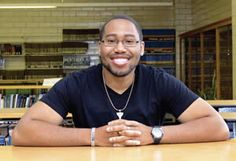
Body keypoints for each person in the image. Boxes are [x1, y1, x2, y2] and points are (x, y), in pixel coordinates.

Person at [12, 15, 229, 147]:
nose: (120, 48)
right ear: (100, 47)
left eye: (129, 41)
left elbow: (217, 127)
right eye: (111, 41)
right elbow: (23, 132)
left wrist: (153, 134)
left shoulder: (159, 81)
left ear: (141, 48)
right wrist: (94, 136)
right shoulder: (76, 83)